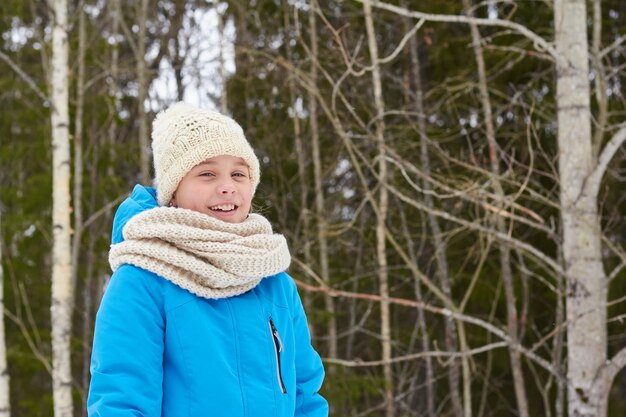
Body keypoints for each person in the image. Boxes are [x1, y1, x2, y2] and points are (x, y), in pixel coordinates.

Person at [87, 102, 328, 417]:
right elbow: (121, 402)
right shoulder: (142, 279)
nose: (227, 187)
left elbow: (305, 396)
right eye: (207, 173)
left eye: (238, 173)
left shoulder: (274, 282)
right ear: (173, 192)